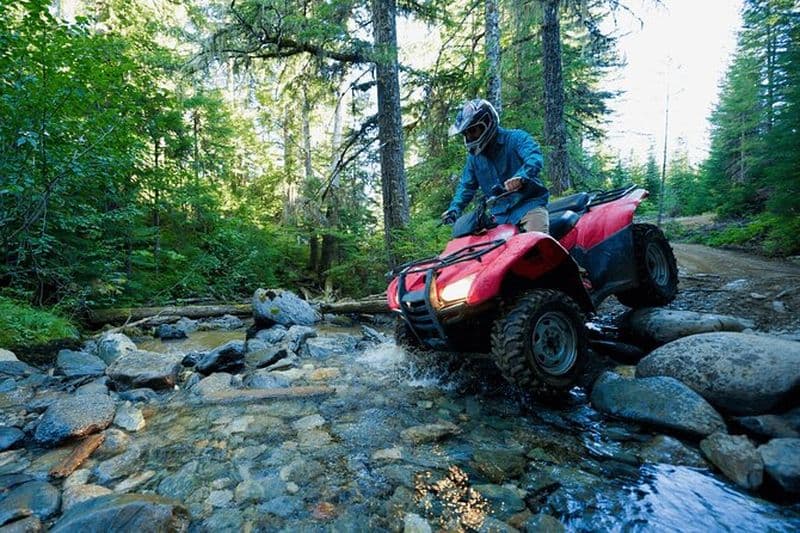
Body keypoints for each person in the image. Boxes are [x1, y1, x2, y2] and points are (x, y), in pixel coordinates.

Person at [441, 99, 549, 233]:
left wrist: (521, 177)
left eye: (473, 130)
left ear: (487, 122)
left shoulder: (517, 138)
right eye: (466, 133)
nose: (469, 136)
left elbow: (534, 158)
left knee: (536, 242)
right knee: (481, 251)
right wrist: (454, 210)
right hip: (499, 217)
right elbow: (466, 186)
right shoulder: (474, 159)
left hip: (528, 207)